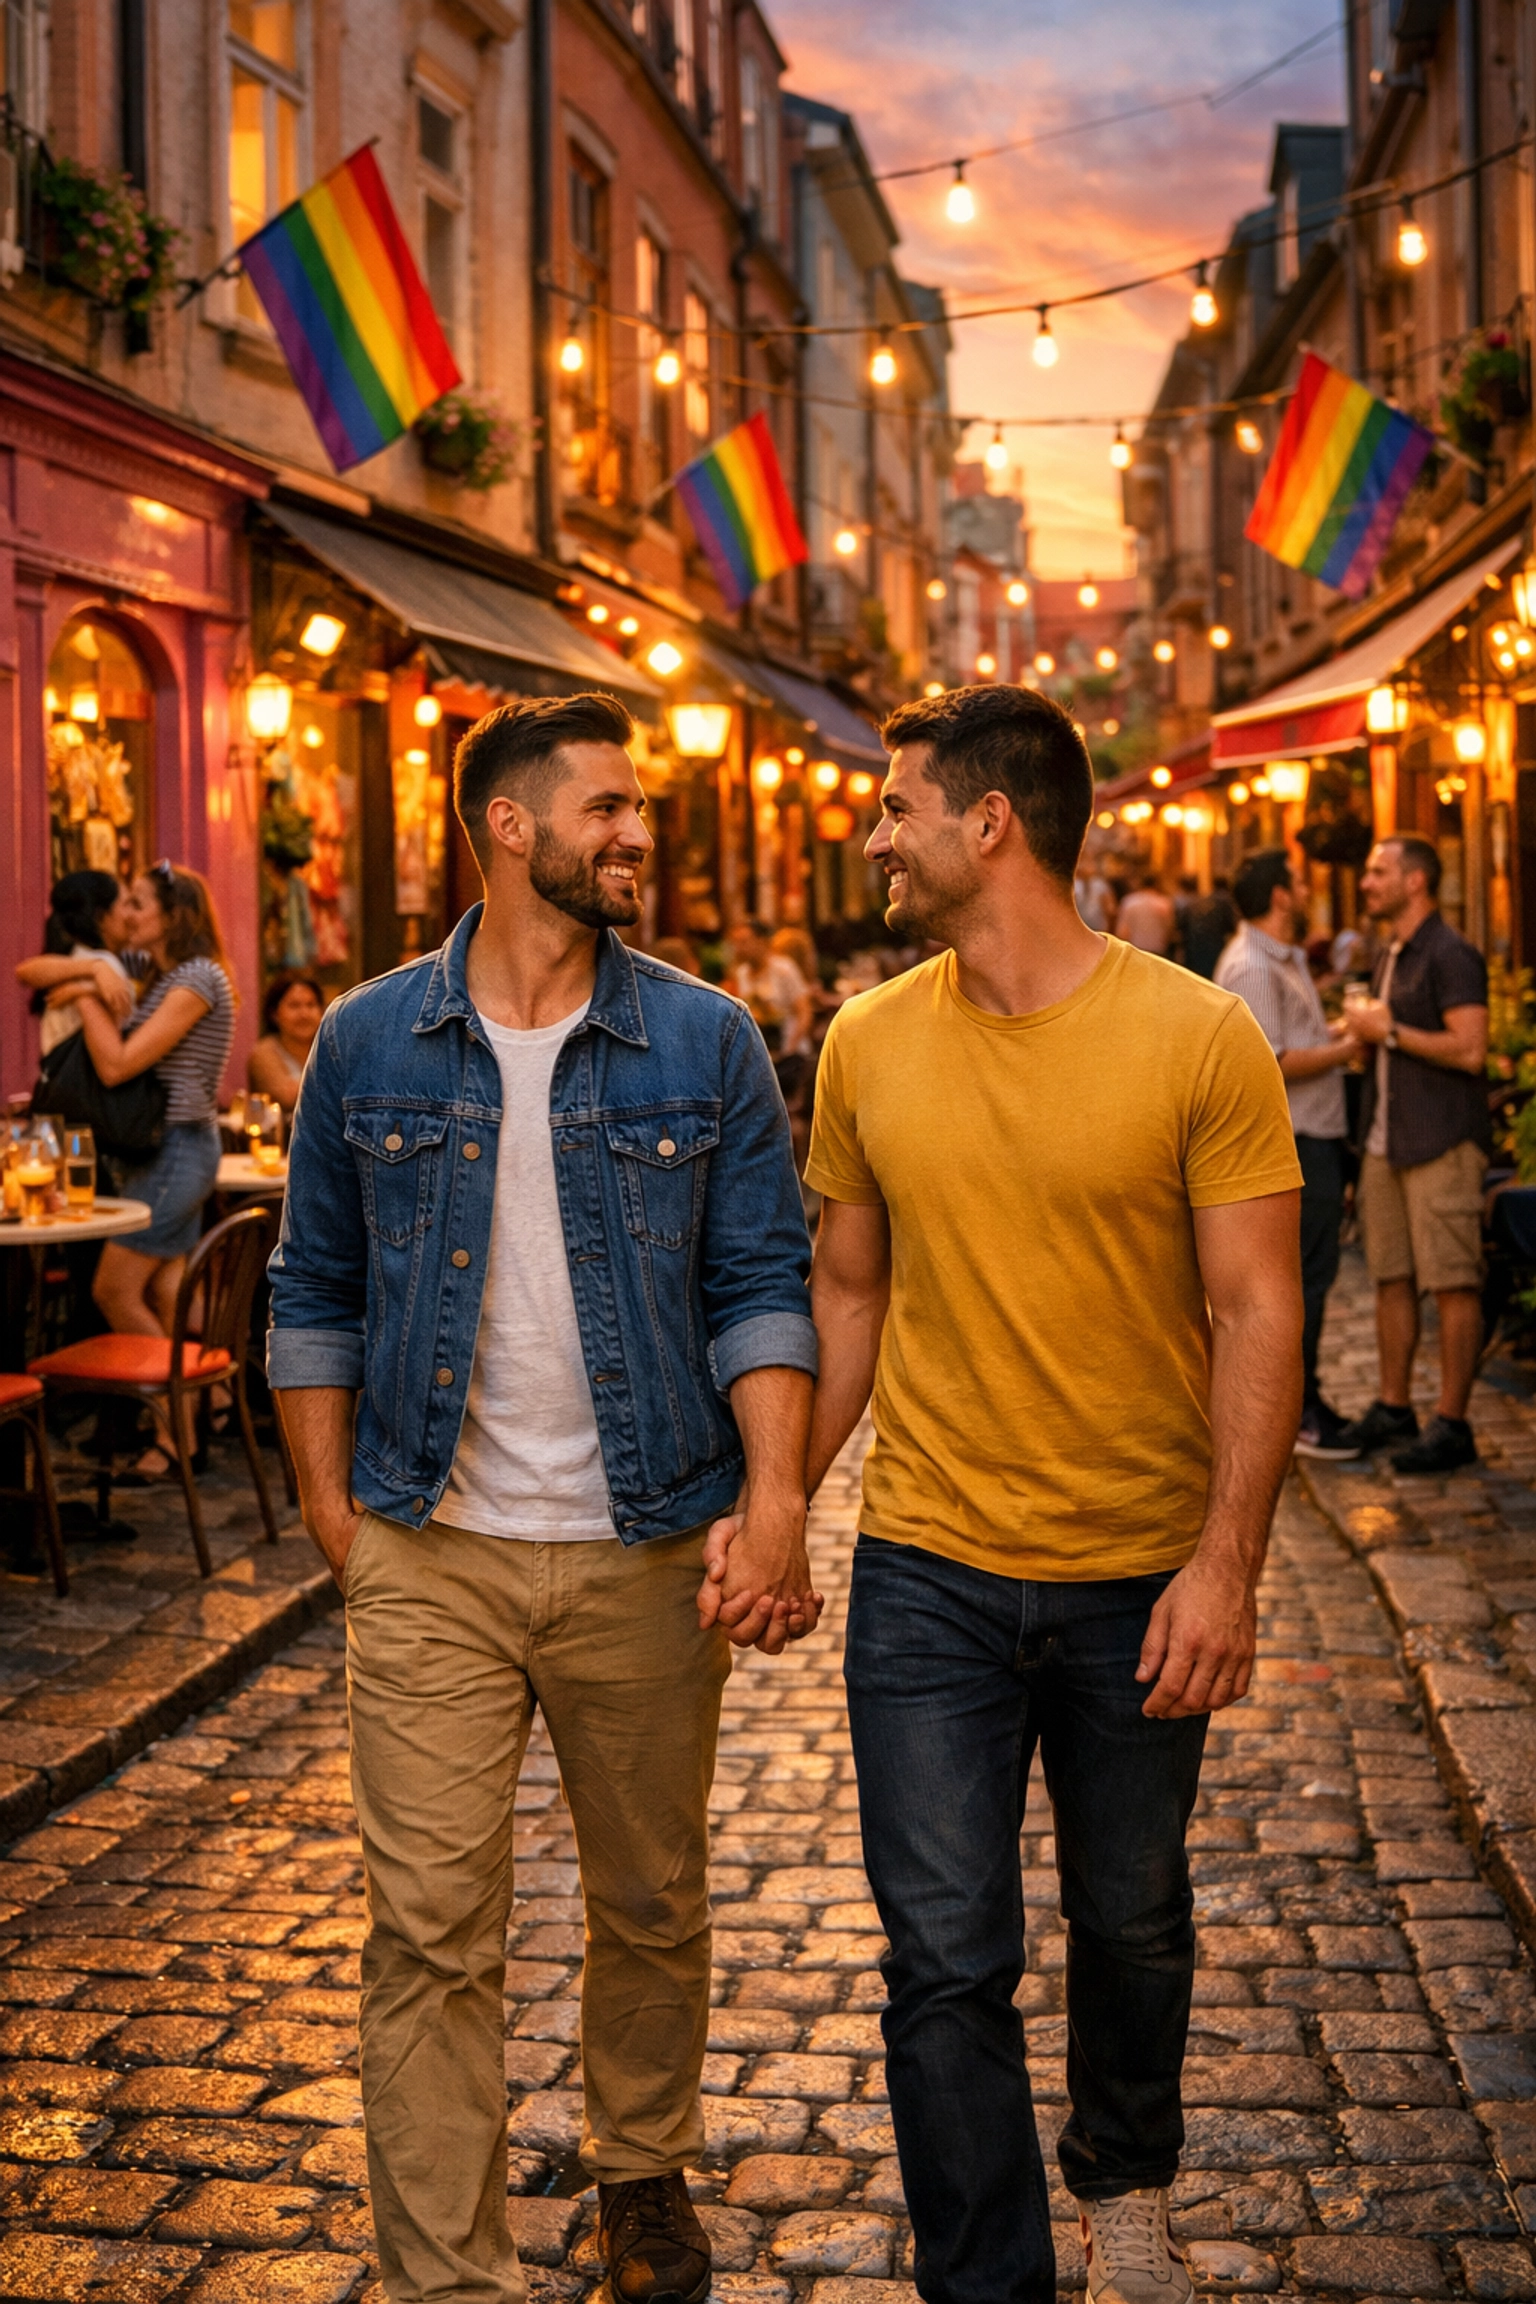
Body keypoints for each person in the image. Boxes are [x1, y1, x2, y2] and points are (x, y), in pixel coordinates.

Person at [268, 692, 820, 2304]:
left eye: (638, 809)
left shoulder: (706, 1038)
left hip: (648, 1541)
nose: (638, 831)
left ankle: (641, 2168)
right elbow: (310, 1287)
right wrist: (334, 1523)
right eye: (608, 807)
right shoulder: (368, 1040)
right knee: (428, 1928)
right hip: (429, 1547)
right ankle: (451, 2277)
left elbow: (761, 1284)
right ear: (509, 827)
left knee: (649, 1897)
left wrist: (774, 1496)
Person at [769, 684, 1303, 2304]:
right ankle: (988, 2280)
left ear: (986, 820)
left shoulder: (1199, 1034)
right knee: (944, 1960)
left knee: (1132, 1917)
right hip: (925, 1565)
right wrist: (781, 1489)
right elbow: (846, 1293)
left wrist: (1226, 1562)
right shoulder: (865, 1039)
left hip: (1139, 1566)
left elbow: (1257, 1308)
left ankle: (1126, 2171)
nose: (874, 832)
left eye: (894, 803)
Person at [71, 862, 237, 1477]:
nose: (127, 913)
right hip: (161, 1153)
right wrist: (90, 968)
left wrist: (86, 991)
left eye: (139, 903)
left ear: (174, 915)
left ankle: (176, 1433)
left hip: (178, 1152)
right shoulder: (153, 970)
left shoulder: (196, 977)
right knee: (167, 1293)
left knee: (113, 1289)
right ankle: (204, 1408)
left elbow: (116, 1066)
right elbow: (29, 973)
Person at [1333, 835, 1491, 1474]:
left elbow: (1471, 1048)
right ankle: (1395, 1406)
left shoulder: (1452, 954)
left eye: (1379, 872)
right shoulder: (1388, 951)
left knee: (1453, 1283)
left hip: (1440, 1141)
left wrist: (1388, 1032)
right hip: (1386, 1140)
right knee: (1389, 1278)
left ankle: (1452, 1422)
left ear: (1416, 881)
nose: (1367, 882)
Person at [1215, 850, 1360, 1458]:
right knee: (1300, 1282)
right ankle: (1292, 1413)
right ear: (1279, 895)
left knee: (1316, 1275)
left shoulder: (1281, 957)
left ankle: (1305, 1398)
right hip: (1293, 1142)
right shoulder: (1252, 967)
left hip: (1316, 1134)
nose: (1306, 892)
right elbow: (1271, 1061)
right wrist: (1353, 1045)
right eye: (1299, 884)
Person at [15, 870, 138, 1050]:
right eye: (125, 904)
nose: (131, 915)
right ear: (101, 917)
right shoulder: (103, 962)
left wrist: (83, 989)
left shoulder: (75, 957)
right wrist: (97, 970)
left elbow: (24, 972)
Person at [725, 918, 814, 1061]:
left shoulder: (784, 969)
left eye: (744, 942)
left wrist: (789, 1049)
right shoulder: (741, 973)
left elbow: (804, 1012)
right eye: (735, 943)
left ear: (761, 941)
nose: (739, 948)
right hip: (760, 1056)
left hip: (790, 1055)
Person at [248, 970, 325, 1112]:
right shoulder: (264, 1053)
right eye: (294, 1006)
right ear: (274, 1014)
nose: (304, 1014)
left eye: (311, 1005)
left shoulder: (330, 1050)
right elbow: (287, 1098)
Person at [1180, 877, 1239, 980]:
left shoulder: (1198, 902)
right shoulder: (1226, 901)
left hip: (1194, 950)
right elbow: (1230, 926)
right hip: (1215, 948)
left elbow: (1181, 928)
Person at [1115, 871, 1177, 956]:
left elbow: (1122, 930)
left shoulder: (1129, 902)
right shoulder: (1163, 903)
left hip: (1135, 948)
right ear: (1156, 884)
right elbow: (1169, 928)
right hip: (1158, 950)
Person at [1073, 860, 1117, 934]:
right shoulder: (1076, 886)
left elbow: (1110, 910)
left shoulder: (1101, 886)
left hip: (1095, 929)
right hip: (1086, 928)